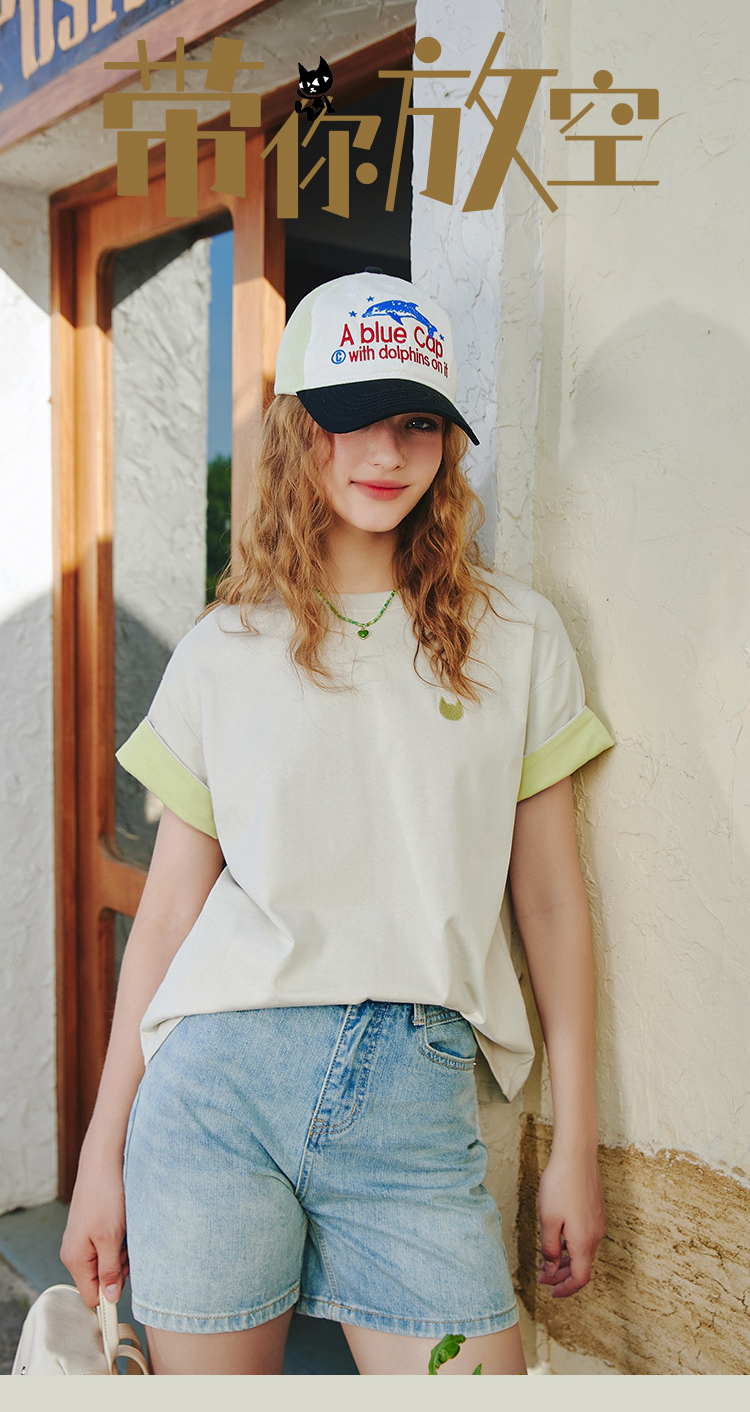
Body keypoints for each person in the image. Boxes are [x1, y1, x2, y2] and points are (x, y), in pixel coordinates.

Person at [60, 269, 614, 1376]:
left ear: (447, 443)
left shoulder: (517, 636)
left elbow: (551, 900)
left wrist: (578, 1143)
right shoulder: (223, 650)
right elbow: (167, 916)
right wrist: (100, 1151)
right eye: (350, 418)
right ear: (295, 431)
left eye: (417, 423)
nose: (386, 452)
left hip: (414, 1101)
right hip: (214, 1091)